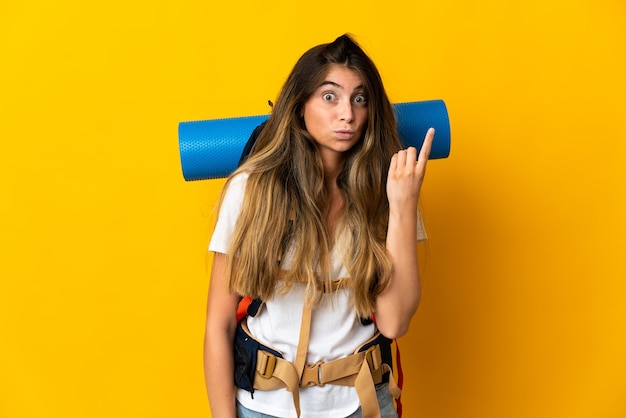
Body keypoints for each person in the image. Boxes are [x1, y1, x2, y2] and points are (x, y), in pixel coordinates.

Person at [204, 34, 434, 418]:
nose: (347, 113)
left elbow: (394, 321)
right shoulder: (251, 191)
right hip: (264, 407)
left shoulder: (389, 190)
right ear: (299, 107)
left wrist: (404, 202)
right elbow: (219, 323)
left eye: (360, 99)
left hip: (362, 405)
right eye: (330, 97)